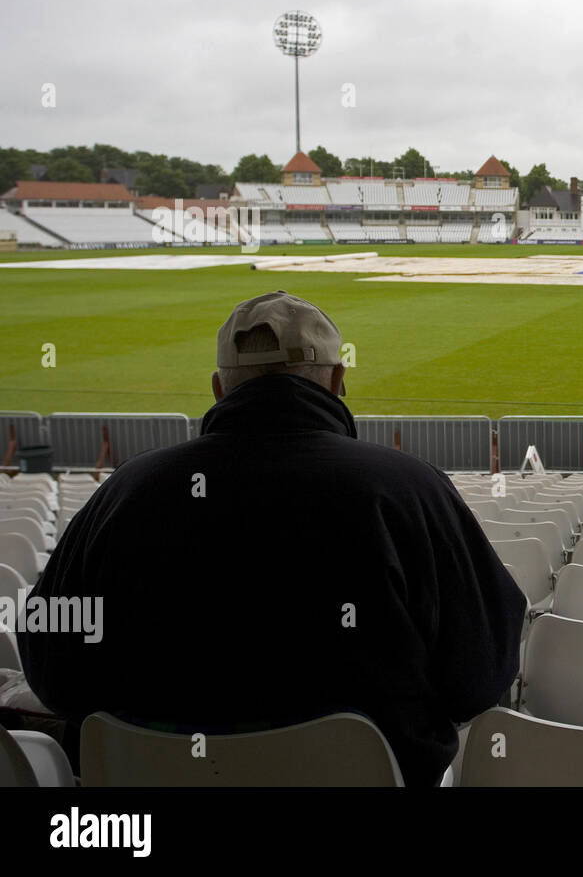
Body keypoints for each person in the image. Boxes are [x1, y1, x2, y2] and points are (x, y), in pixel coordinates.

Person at [19, 291, 526, 785]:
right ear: (337, 380)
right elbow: (479, 679)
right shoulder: (410, 490)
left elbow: (54, 673)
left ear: (219, 388)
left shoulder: (127, 491)